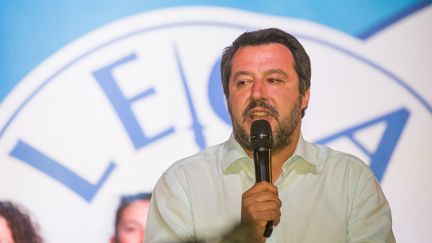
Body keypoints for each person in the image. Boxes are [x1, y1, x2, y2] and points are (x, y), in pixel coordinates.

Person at [145, 28, 395, 243]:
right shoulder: (182, 184)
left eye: (274, 79)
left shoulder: (350, 180)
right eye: (243, 82)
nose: (257, 94)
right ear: (227, 98)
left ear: (304, 95)